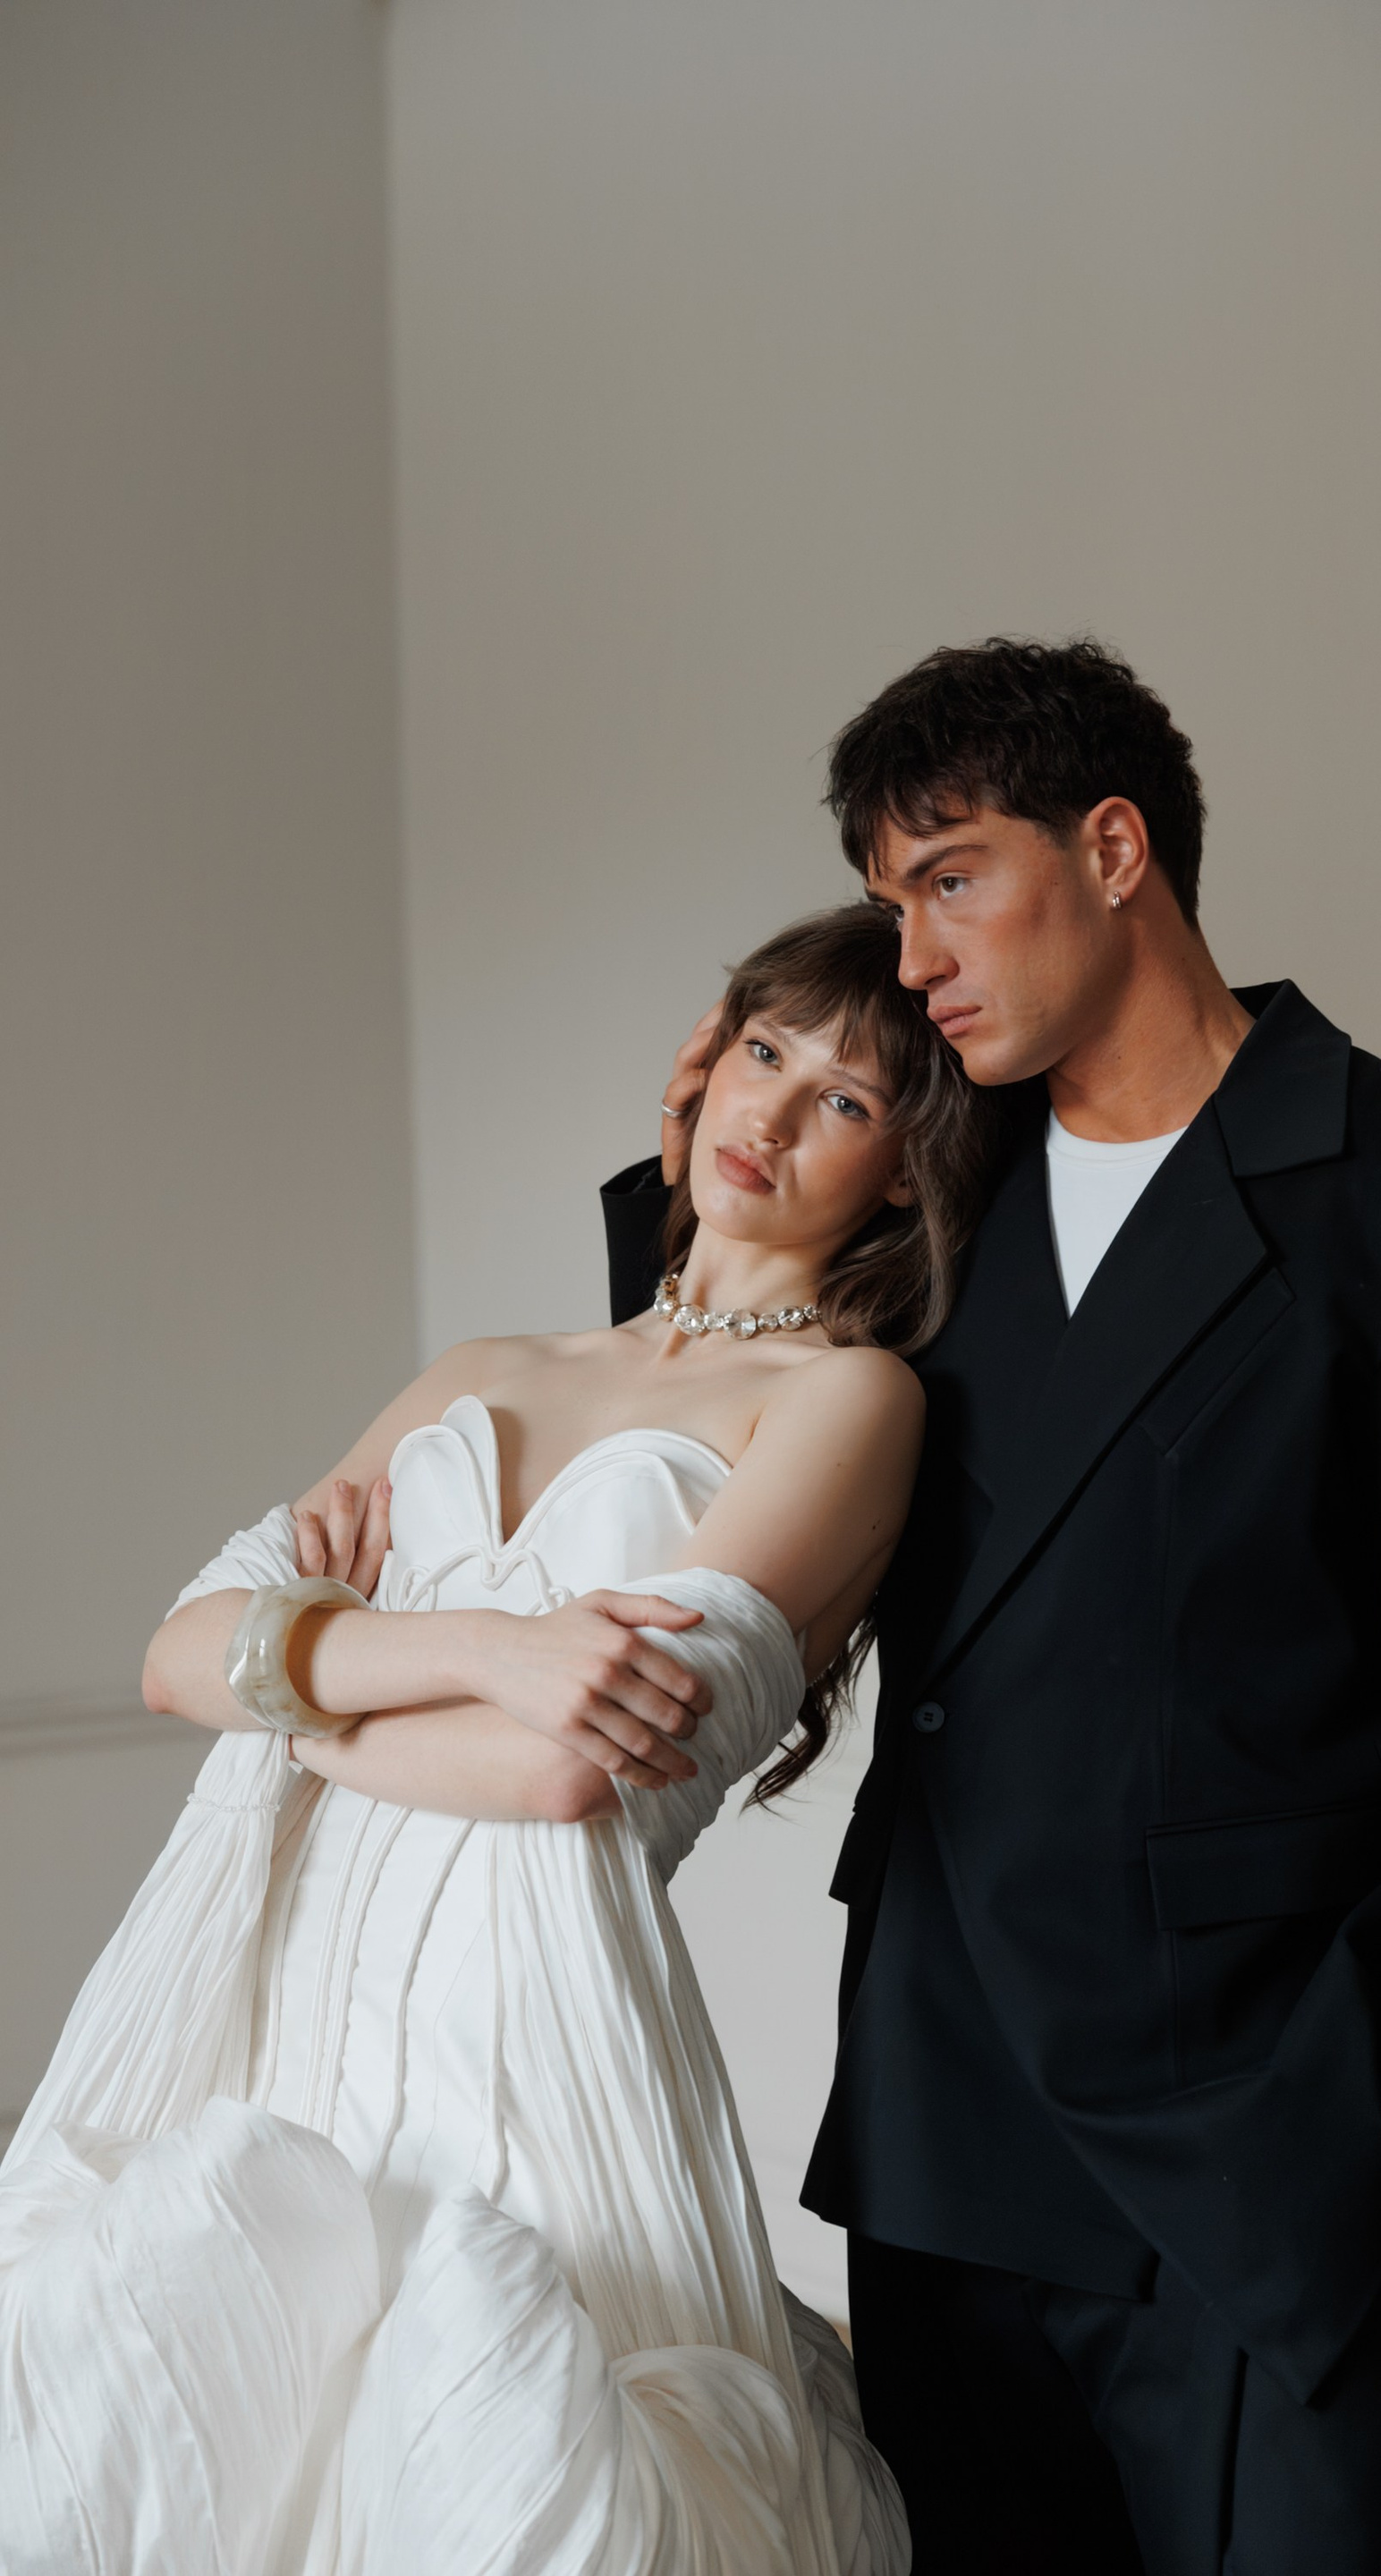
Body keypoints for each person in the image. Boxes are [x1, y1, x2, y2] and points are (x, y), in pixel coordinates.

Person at [601, 637, 1381, 2574]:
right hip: (943, 2114)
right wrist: (679, 1176)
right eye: (887, 903)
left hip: (1258, 2147)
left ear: (1111, 849)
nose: (914, 958)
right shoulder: (935, 1186)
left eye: (950, 880)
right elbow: (735, 1433)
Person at [0, 905, 1005, 2576]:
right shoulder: (487, 1367)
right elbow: (175, 1659)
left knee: (478, 2464)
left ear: (905, 1171)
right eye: (763, 1051)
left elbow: (564, 1776)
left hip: (523, 2011)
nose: (767, 1115)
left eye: (843, 1099)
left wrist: (302, 1684)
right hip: (275, 1971)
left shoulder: (849, 1401)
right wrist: (491, 1650)